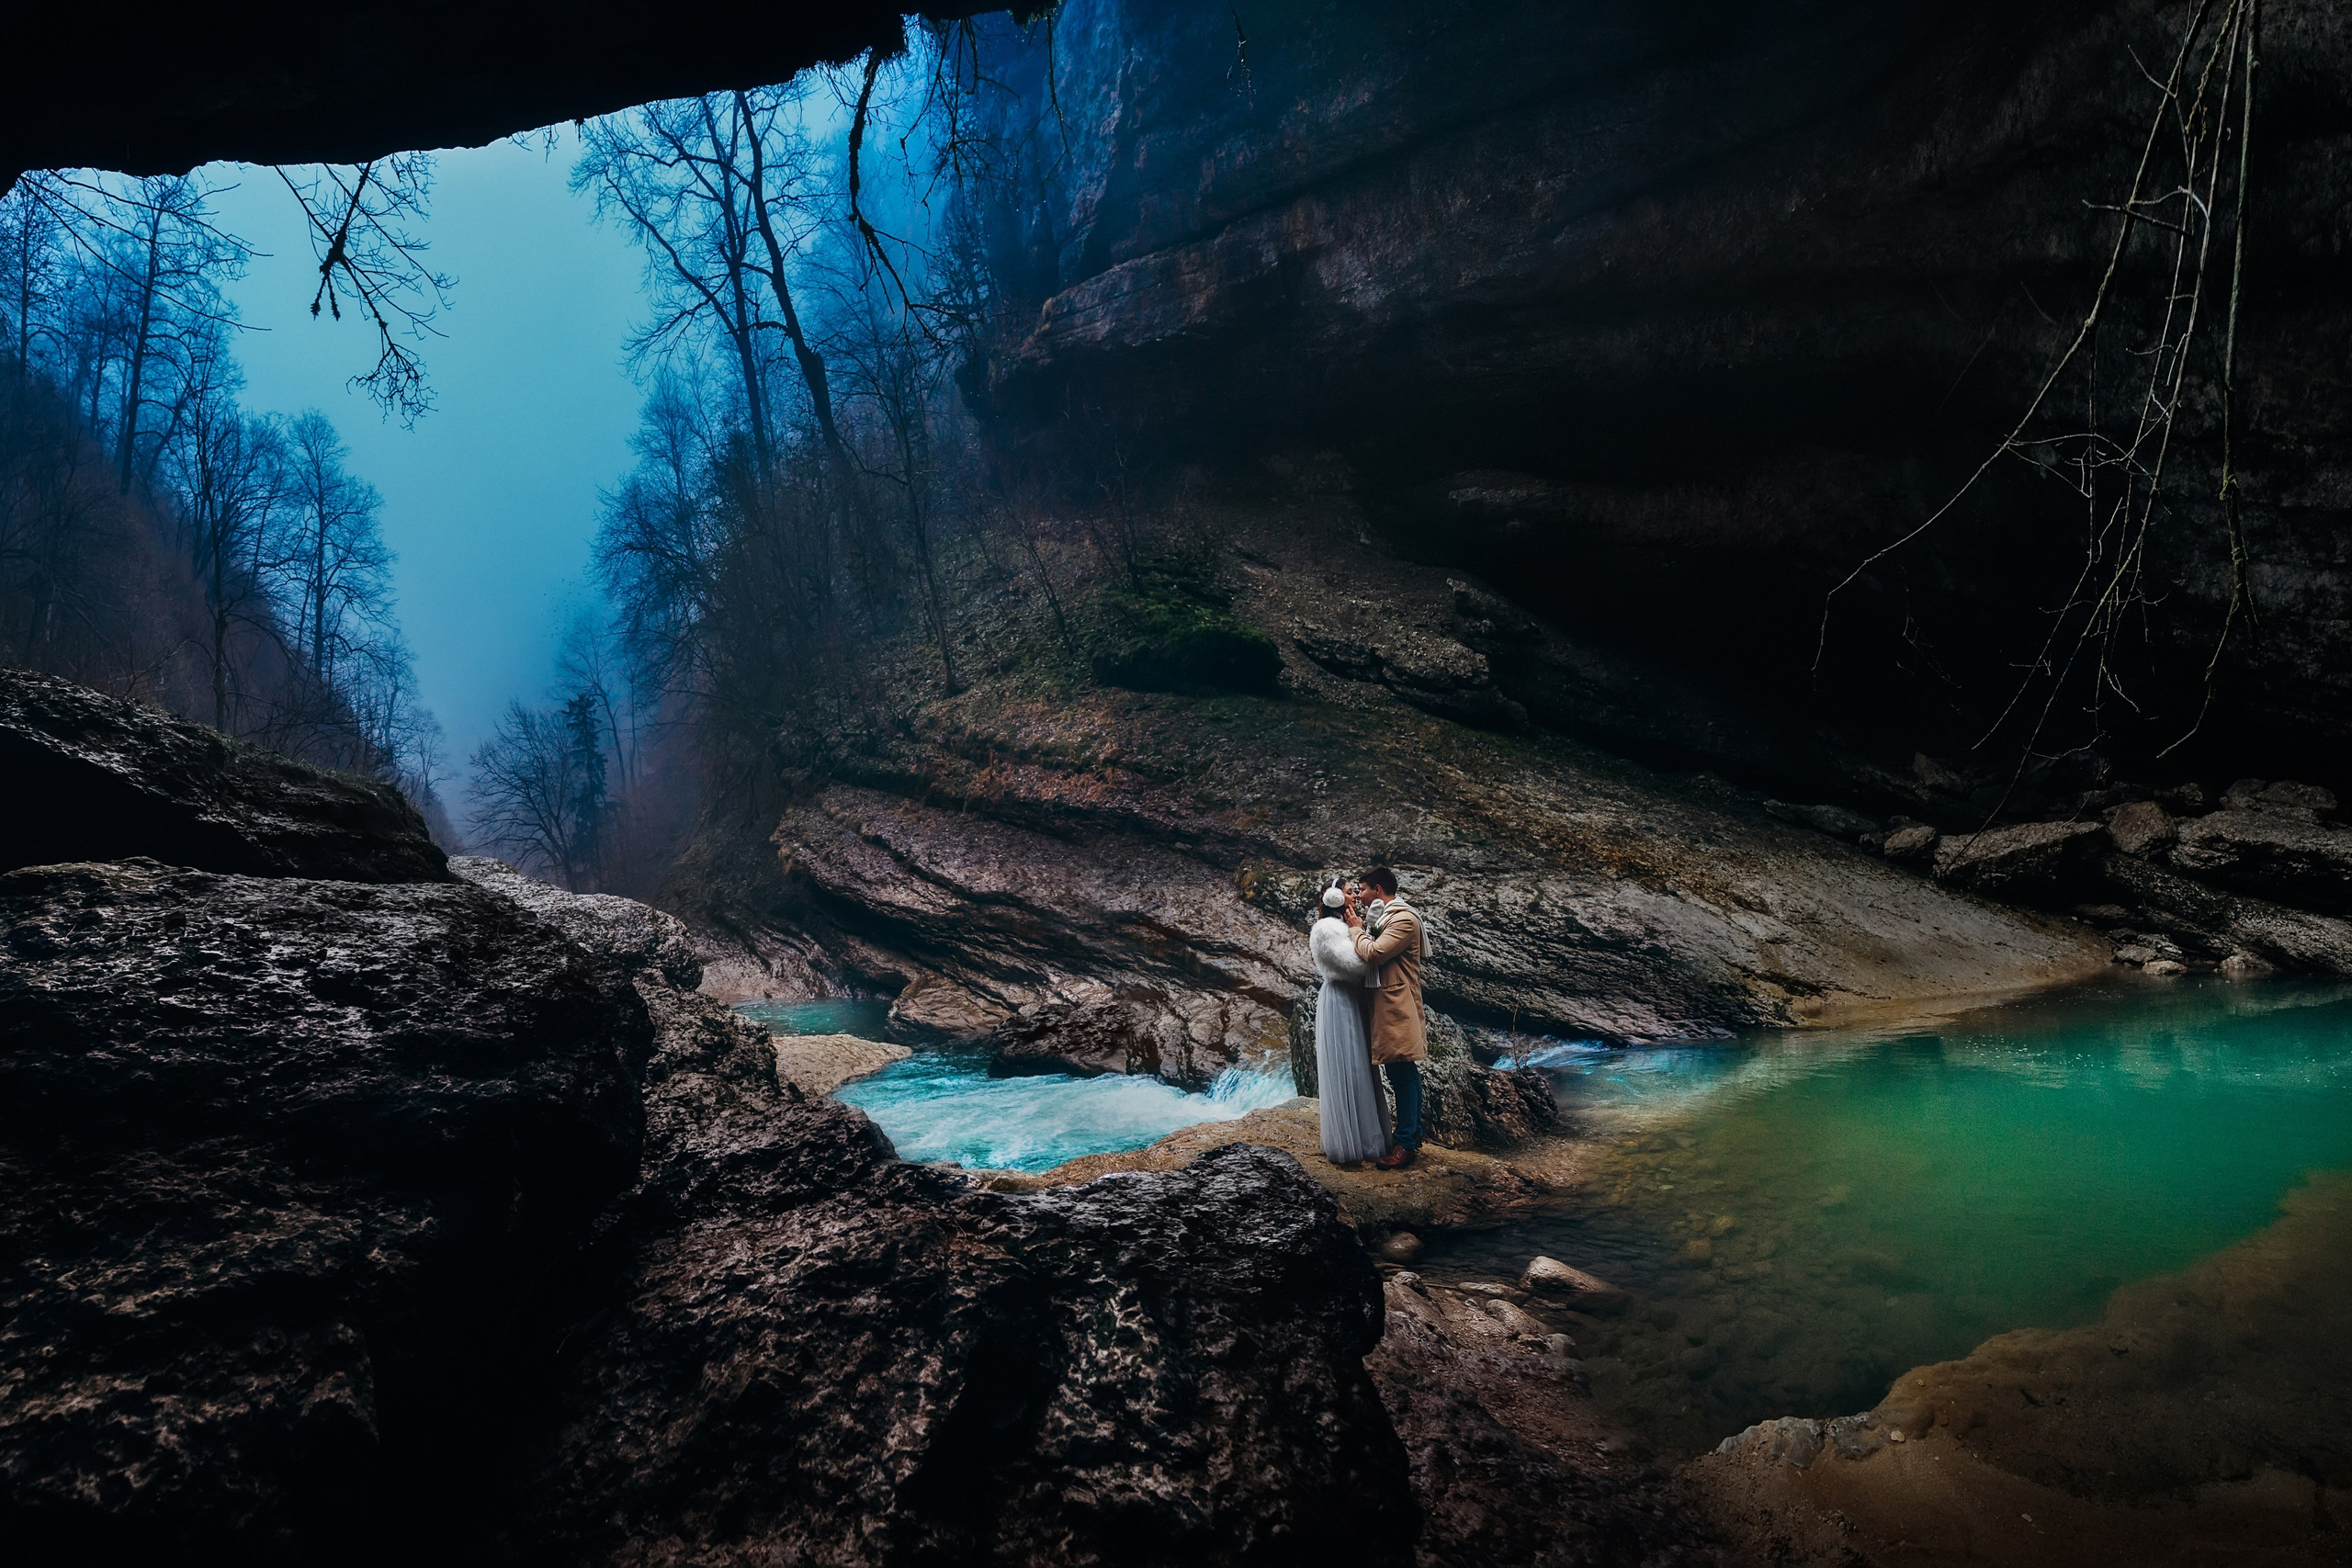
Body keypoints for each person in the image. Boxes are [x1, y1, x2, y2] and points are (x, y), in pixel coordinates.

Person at [1346, 865, 1430, 1169]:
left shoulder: (1404, 919)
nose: (1360, 894)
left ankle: (1405, 1143)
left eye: (1363, 889)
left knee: (1403, 1074)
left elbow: (1374, 953)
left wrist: (1355, 928)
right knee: (1401, 1073)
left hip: (1397, 1006)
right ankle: (1412, 1136)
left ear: (1377, 890)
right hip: (1385, 1005)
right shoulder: (1384, 917)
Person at [1307, 876, 1390, 1165]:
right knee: (1350, 1067)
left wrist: (1362, 930)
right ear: (1334, 898)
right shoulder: (1326, 928)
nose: (1354, 896)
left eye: (1354, 891)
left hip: (1353, 1000)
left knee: (1360, 1068)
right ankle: (1353, 1143)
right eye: (1348, 892)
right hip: (1340, 1000)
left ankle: (1367, 1134)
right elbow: (1358, 966)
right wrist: (1363, 932)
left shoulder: (1342, 926)